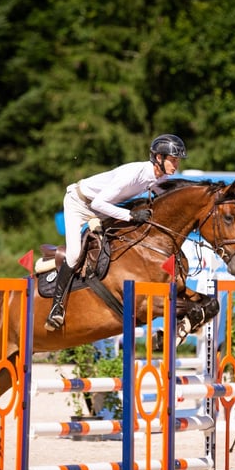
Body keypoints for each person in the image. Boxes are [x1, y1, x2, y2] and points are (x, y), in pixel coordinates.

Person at [45, 133, 187, 331]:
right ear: (158, 158)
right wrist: (131, 216)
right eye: (173, 159)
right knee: (75, 254)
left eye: (177, 160)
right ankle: (56, 307)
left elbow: (168, 196)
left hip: (104, 208)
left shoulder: (157, 176)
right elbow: (98, 203)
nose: (176, 164)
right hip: (79, 205)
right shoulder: (133, 174)